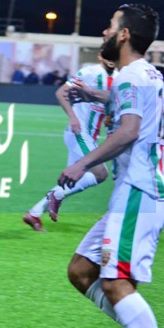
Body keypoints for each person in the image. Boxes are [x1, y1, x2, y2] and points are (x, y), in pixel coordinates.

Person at [59, 3, 164, 328]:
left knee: (114, 281)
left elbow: (128, 131)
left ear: (125, 34)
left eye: (111, 25)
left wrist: (82, 163)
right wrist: (93, 93)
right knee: (81, 271)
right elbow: (130, 106)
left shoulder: (130, 75)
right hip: (135, 193)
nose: (105, 32)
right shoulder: (147, 73)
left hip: (139, 192)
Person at [23, 55, 115, 232]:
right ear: (100, 56)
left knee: (71, 180)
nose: (111, 58)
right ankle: (55, 196)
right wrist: (73, 117)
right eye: (107, 54)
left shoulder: (118, 77)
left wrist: (110, 118)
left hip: (91, 136)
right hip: (79, 132)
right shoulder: (89, 72)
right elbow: (61, 93)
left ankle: (34, 214)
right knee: (100, 173)